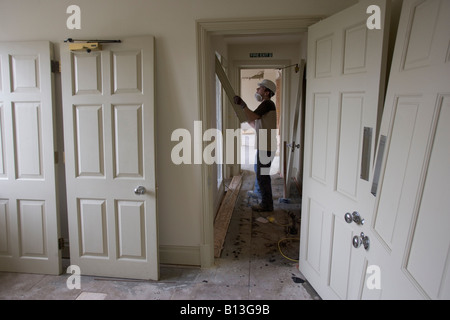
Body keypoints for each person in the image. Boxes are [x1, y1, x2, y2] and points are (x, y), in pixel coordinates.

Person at [234, 79, 277, 212]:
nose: (257, 90)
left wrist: (243, 105)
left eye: (260, 88)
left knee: (263, 175)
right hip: (265, 146)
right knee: (260, 172)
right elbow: (254, 123)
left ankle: (267, 204)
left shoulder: (268, 103)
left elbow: (253, 115)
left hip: (266, 147)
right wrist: (244, 115)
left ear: (266, 92)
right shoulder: (266, 105)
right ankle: (262, 197)